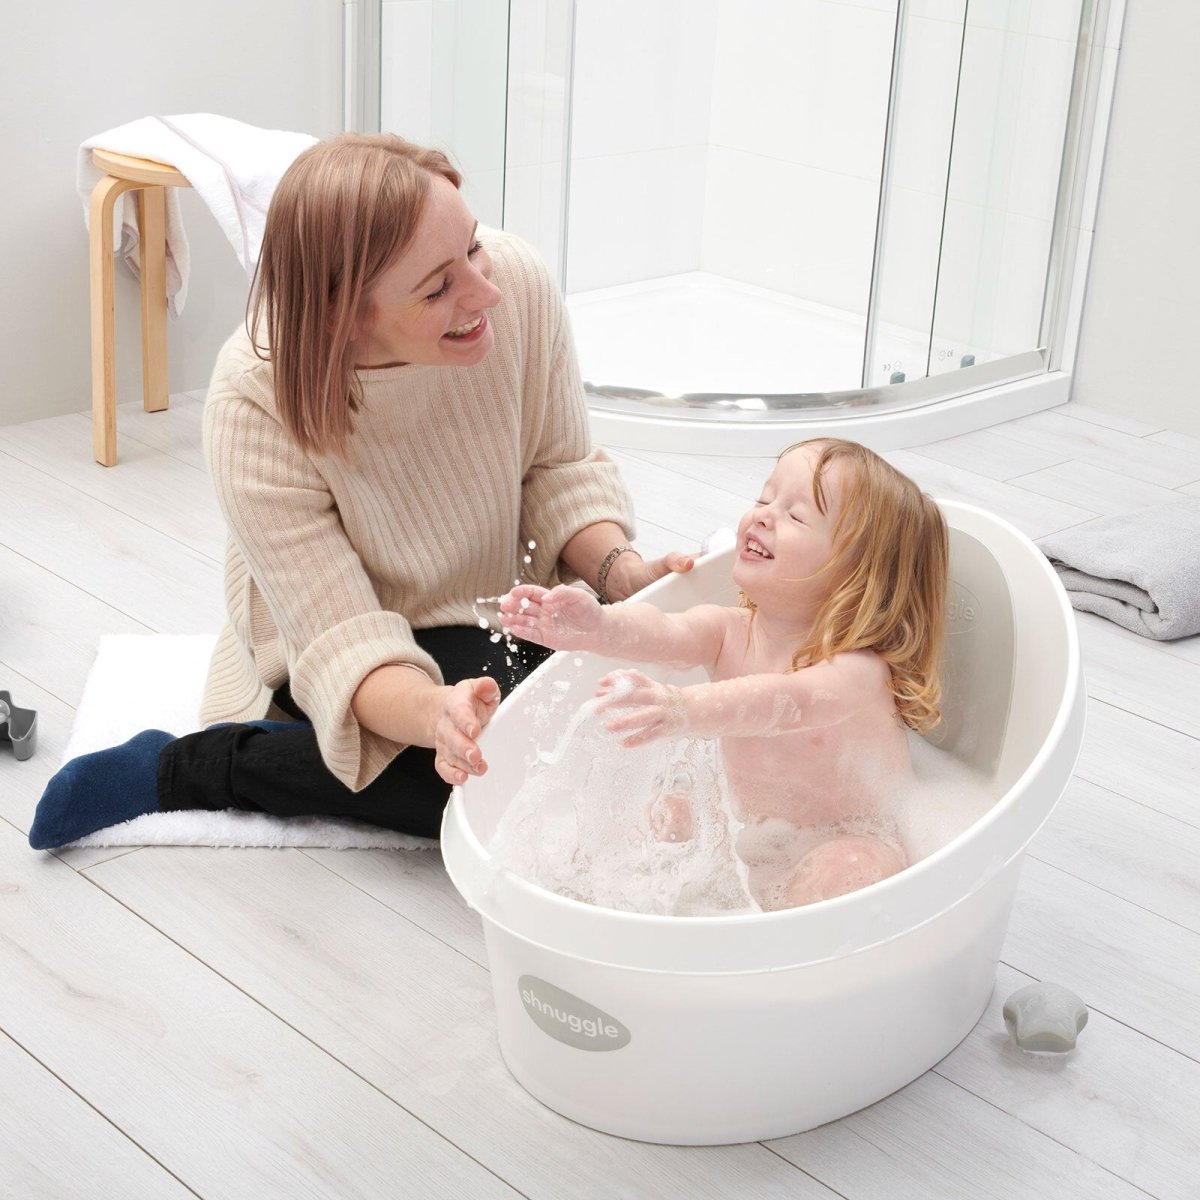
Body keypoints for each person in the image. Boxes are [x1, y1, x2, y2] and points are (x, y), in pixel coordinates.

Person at [28, 132, 692, 851]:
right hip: (345, 639)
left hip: (497, 610)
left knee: (638, 729)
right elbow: (341, 637)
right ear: (344, 315)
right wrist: (436, 714)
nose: (486, 291)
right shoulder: (255, 400)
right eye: (438, 288)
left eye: (473, 247)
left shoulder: (519, 285)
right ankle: (197, 767)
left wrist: (622, 575)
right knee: (504, 783)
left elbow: (556, 470)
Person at [499, 438, 949, 908]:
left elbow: (785, 702)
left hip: (851, 837)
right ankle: (595, 902)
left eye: (797, 516)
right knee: (664, 815)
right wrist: (599, 627)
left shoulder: (858, 670)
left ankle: (776, 941)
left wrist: (684, 707)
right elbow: (664, 630)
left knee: (852, 869)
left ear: (857, 576)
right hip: (746, 827)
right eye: (764, 498)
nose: (763, 516)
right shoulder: (730, 629)